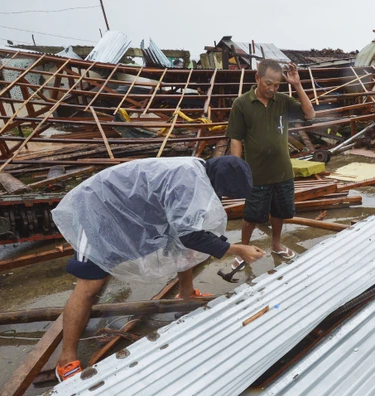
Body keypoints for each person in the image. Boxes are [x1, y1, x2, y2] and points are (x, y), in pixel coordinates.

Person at [50, 156, 265, 381]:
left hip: (130, 206)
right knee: (90, 283)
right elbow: (190, 235)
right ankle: (66, 360)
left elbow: (189, 229)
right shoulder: (187, 180)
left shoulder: (202, 172)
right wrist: (237, 249)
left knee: (184, 248)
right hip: (95, 207)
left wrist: (219, 242)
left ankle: (186, 293)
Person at [226, 59, 316, 269]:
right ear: (257, 78)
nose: (272, 89)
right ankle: (243, 250)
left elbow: (310, 114)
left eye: (276, 85)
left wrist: (297, 86)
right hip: (256, 173)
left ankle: (276, 244)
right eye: (268, 83)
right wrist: (237, 170)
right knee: (251, 215)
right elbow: (236, 139)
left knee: (279, 212)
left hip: (283, 171)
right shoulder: (242, 104)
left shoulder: (282, 101)